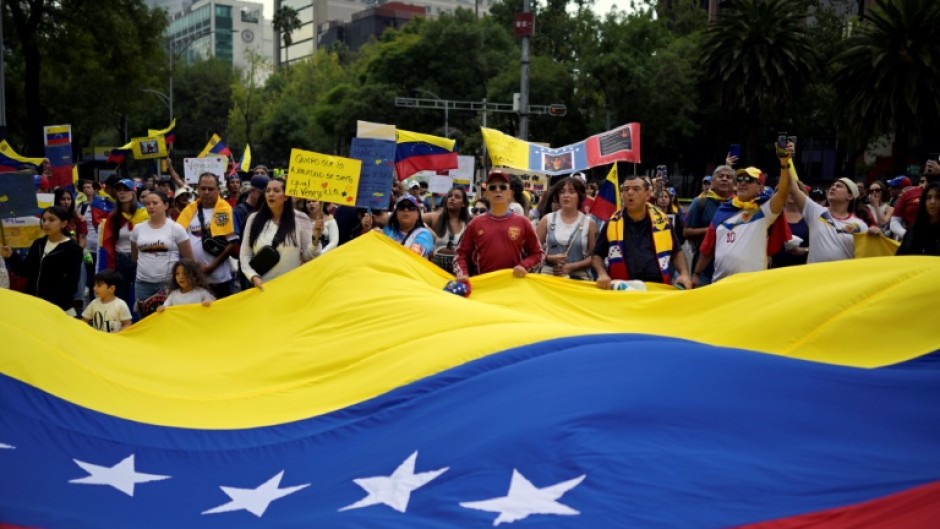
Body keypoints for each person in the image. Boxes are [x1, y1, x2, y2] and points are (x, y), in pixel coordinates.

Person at [692, 151, 792, 285]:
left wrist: (785, 162)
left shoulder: (764, 210)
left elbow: (783, 193)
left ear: (760, 188)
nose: (742, 183)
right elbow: (707, 248)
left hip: (751, 286)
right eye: (739, 179)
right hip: (720, 283)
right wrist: (696, 273)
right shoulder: (723, 210)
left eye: (748, 180)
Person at [592, 174, 692, 289]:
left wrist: (684, 274)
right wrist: (602, 273)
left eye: (636, 189)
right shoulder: (612, 224)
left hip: (657, 289)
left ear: (648, 194)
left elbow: (676, 252)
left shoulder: (663, 222)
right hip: (622, 290)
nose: (630, 192)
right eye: (625, 189)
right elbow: (597, 254)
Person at [454, 170, 543, 280]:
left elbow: (538, 254)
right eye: (492, 187)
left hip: (514, 287)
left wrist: (524, 266)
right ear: (486, 193)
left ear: (510, 193)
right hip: (483, 287)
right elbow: (461, 254)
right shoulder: (475, 223)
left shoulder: (523, 223)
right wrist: (462, 273)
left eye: (502, 187)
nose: (497, 190)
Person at [1, 206, 84, 314]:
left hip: (56, 307)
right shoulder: (38, 244)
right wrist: (11, 256)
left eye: (51, 220)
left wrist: (57, 303)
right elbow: (25, 270)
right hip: (33, 303)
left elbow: (72, 283)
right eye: (44, 220)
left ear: (63, 223)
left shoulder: (72, 248)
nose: (46, 223)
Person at [240, 178, 318, 290]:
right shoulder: (253, 219)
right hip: (262, 289)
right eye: (268, 191)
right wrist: (253, 276)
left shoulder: (301, 219)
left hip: (291, 288)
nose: (271, 194)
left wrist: (316, 237)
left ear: (286, 196)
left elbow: (308, 255)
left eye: (276, 191)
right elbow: (245, 255)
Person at [130, 191, 193, 317]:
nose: (150, 206)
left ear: (165, 205)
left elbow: (189, 259)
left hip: (168, 284)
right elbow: (134, 257)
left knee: (169, 319)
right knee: (145, 321)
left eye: (155, 203)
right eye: (147, 204)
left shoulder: (176, 228)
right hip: (143, 284)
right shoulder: (137, 229)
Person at [177, 172, 239, 299]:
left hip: (220, 278)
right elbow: (179, 239)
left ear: (218, 190)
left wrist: (212, 266)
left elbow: (232, 243)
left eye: (210, 189)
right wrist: (193, 265)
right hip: (194, 276)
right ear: (197, 189)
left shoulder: (226, 210)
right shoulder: (189, 210)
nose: (206, 192)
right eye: (203, 188)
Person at [789, 175, 875, 263]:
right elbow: (794, 190)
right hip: (815, 275)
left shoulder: (860, 225)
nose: (833, 187)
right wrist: (785, 164)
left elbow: (869, 256)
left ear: (850, 196)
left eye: (839, 186)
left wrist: (875, 235)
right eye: (832, 186)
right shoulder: (816, 211)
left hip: (842, 275)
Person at [97, 179, 149, 315]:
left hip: (140, 259)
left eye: (125, 190)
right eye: (119, 190)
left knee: (140, 294)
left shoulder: (145, 214)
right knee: (121, 293)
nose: (121, 193)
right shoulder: (114, 216)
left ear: (133, 192)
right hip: (120, 259)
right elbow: (108, 240)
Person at [536, 177, 597, 280]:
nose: (566, 195)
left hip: (579, 277)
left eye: (572, 192)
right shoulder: (547, 220)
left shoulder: (589, 223)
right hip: (549, 275)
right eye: (562, 192)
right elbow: (533, 251)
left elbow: (595, 257)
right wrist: (549, 258)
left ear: (580, 196)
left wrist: (571, 267)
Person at [684, 166, 734, 286]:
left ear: (734, 183)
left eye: (728, 177)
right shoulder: (700, 202)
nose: (724, 179)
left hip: (730, 269)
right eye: (720, 176)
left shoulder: (739, 205)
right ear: (712, 182)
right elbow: (686, 232)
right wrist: (711, 230)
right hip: (704, 270)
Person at [424, 186, 470, 271]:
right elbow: (414, 218)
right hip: (435, 271)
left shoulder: (469, 223)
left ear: (463, 203)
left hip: (459, 273)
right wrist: (430, 231)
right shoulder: (435, 217)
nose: (452, 198)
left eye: (457, 197)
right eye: (450, 196)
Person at [896, 182, 940, 255]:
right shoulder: (913, 230)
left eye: (938, 197)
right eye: (928, 198)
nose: (932, 202)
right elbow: (900, 257)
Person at [770, 190, 810, 268]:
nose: (791, 194)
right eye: (788, 191)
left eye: (795, 191)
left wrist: (804, 250)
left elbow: (819, 246)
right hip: (775, 267)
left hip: (802, 266)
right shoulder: (774, 214)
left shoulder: (810, 216)